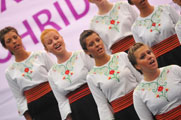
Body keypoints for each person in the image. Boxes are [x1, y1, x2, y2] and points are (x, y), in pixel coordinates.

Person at [0, 26, 61, 120]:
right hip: (36, 109)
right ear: (5, 46)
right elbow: (19, 99)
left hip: (54, 99)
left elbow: (58, 77)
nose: (14, 41)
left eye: (15, 37)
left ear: (20, 37)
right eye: (9, 41)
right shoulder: (9, 72)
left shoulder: (41, 55)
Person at [79, 30, 142, 120]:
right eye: (91, 44)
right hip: (123, 115)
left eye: (98, 40)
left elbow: (140, 79)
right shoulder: (91, 77)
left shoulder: (122, 56)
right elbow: (102, 105)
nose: (97, 44)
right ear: (86, 51)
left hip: (140, 104)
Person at [40, 29, 100, 120]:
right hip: (77, 112)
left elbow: (97, 76)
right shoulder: (51, 74)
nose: (55, 42)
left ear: (62, 38)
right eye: (50, 42)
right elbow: (62, 101)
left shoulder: (81, 55)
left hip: (96, 101)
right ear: (46, 49)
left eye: (56, 38)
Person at [128, 42, 181, 120]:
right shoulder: (138, 93)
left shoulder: (174, 70)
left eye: (149, 52)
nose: (149, 56)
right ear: (137, 66)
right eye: (143, 57)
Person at [129, 0, 181, 67]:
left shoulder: (166, 8)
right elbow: (143, 51)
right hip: (161, 62)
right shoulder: (135, 27)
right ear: (131, 2)